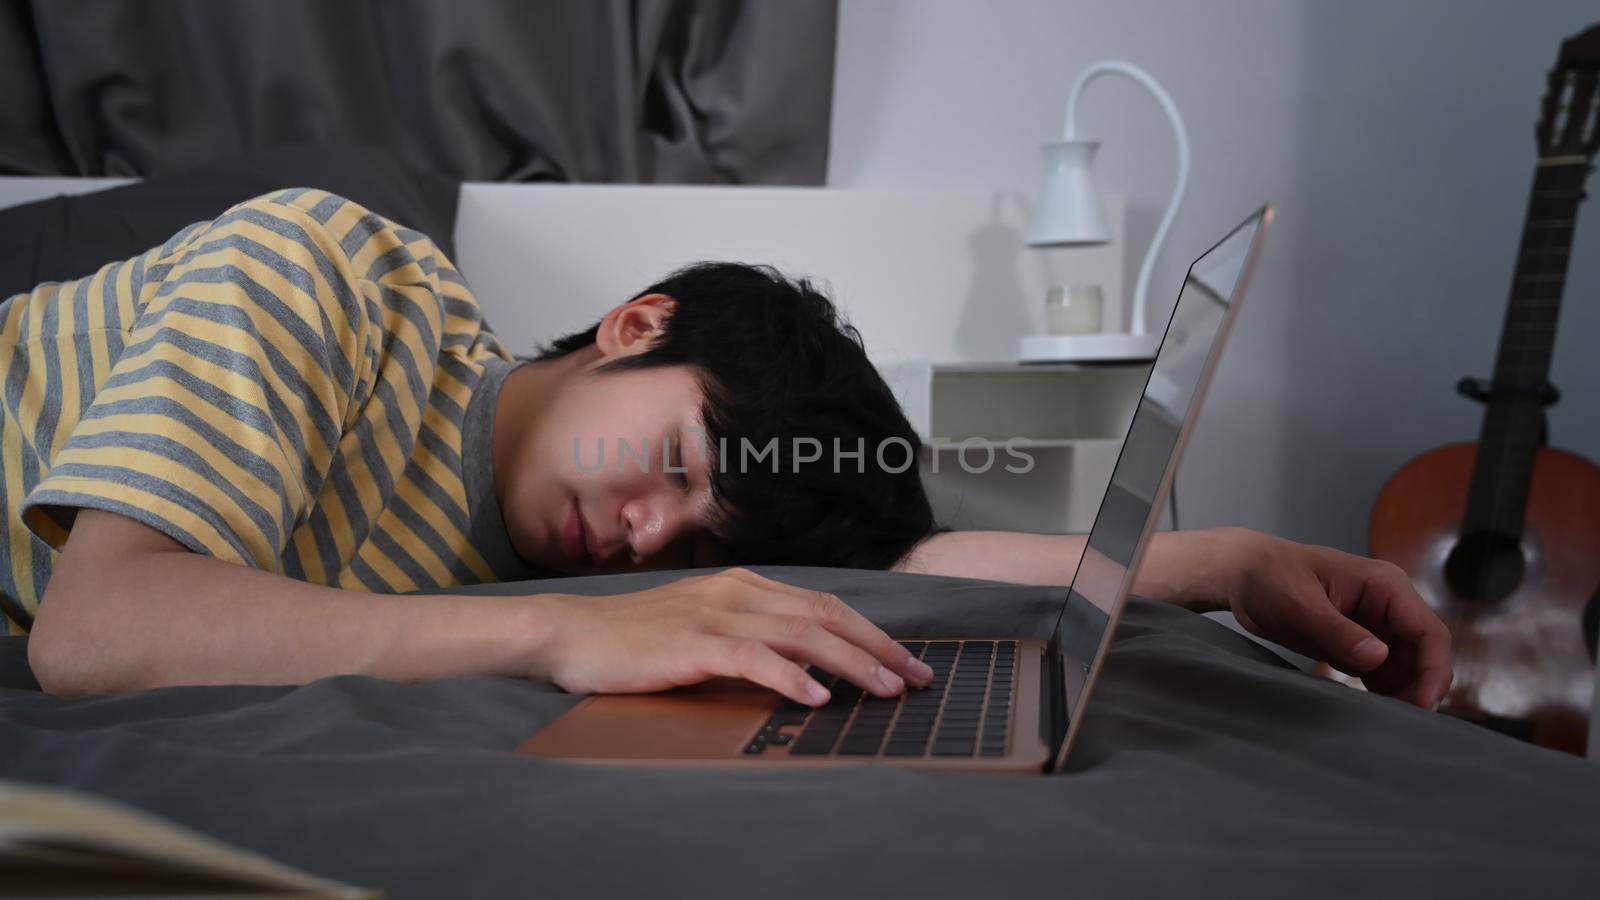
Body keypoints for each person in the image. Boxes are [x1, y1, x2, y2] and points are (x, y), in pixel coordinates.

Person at [9, 189, 1451, 710]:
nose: (648, 539)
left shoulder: (542, 526)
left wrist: (1216, 562)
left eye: (697, 540)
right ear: (635, 324)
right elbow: (98, 625)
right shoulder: (324, 269)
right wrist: (552, 643)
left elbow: (907, 551)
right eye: (682, 469)